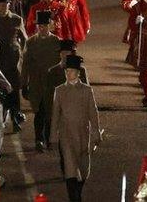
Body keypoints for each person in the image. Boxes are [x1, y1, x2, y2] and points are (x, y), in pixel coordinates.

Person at [49, 55, 101, 202]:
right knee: (70, 171)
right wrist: (53, 138)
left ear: (78, 73)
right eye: (67, 71)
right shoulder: (59, 91)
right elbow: (55, 116)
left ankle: (77, 191)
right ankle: (75, 198)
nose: (68, 73)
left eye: (72, 71)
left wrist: (96, 133)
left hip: (83, 135)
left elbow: (93, 112)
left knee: (83, 171)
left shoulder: (86, 90)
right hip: (66, 136)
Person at [19, 9, 61, 151]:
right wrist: (24, 84)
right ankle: (39, 139)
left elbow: (62, 64)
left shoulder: (56, 42)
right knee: (39, 112)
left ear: (50, 25)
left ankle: (49, 138)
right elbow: (25, 64)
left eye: (45, 25)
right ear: (37, 27)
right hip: (36, 82)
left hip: (52, 84)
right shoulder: (31, 42)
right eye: (40, 26)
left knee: (51, 112)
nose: (42, 28)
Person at [0, 0, 27, 131]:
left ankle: (16, 117)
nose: (3, 7)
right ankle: (0, 117)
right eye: (1, 4)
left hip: (13, 61)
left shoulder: (17, 20)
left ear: (9, 5)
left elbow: (25, 40)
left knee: (14, 90)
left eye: (6, 4)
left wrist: (23, 57)